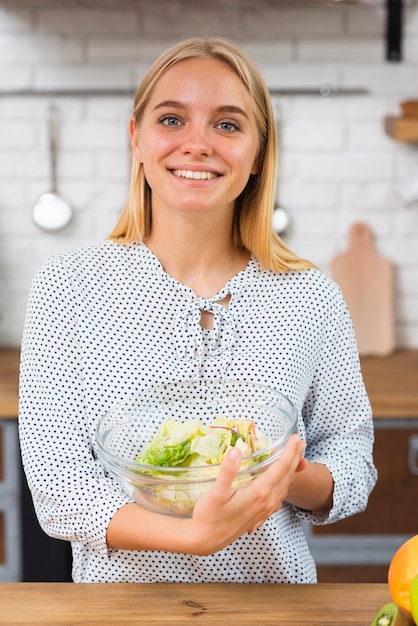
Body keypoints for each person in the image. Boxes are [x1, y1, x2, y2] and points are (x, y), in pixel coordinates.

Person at [18, 36, 377, 584]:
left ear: (258, 155)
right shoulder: (68, 286)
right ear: (136, 139)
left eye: (228, 125)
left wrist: (292, 478)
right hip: (121, 615)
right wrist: (193, 537)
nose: (198, 144)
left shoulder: (310, 295)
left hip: (276, 611)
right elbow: (58, 487)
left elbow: (352, 455)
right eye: (171, 120)